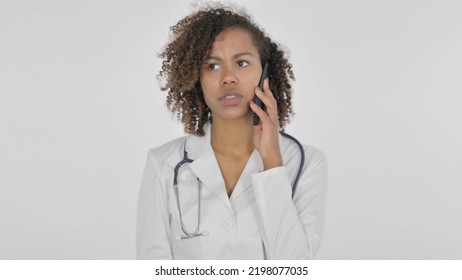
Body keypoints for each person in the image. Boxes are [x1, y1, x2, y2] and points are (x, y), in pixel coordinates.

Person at [136, 4, 327, 260]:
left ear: (265, 74)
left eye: (242, 63)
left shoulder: (307, 164)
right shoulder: (163, 165)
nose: (228, 77)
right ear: (196, 78)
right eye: (212, 66)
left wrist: (272, 162)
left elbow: (295, 267)